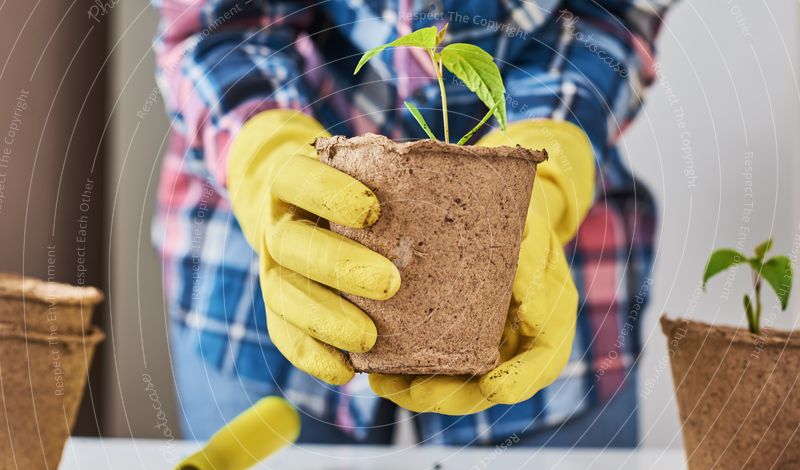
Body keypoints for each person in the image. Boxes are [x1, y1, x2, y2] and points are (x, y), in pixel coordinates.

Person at [151, 1, 671, 446]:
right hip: (260, 264)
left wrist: (551, 158)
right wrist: (265, 150)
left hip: (558, 261)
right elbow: (218, 23)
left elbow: (614, 15)